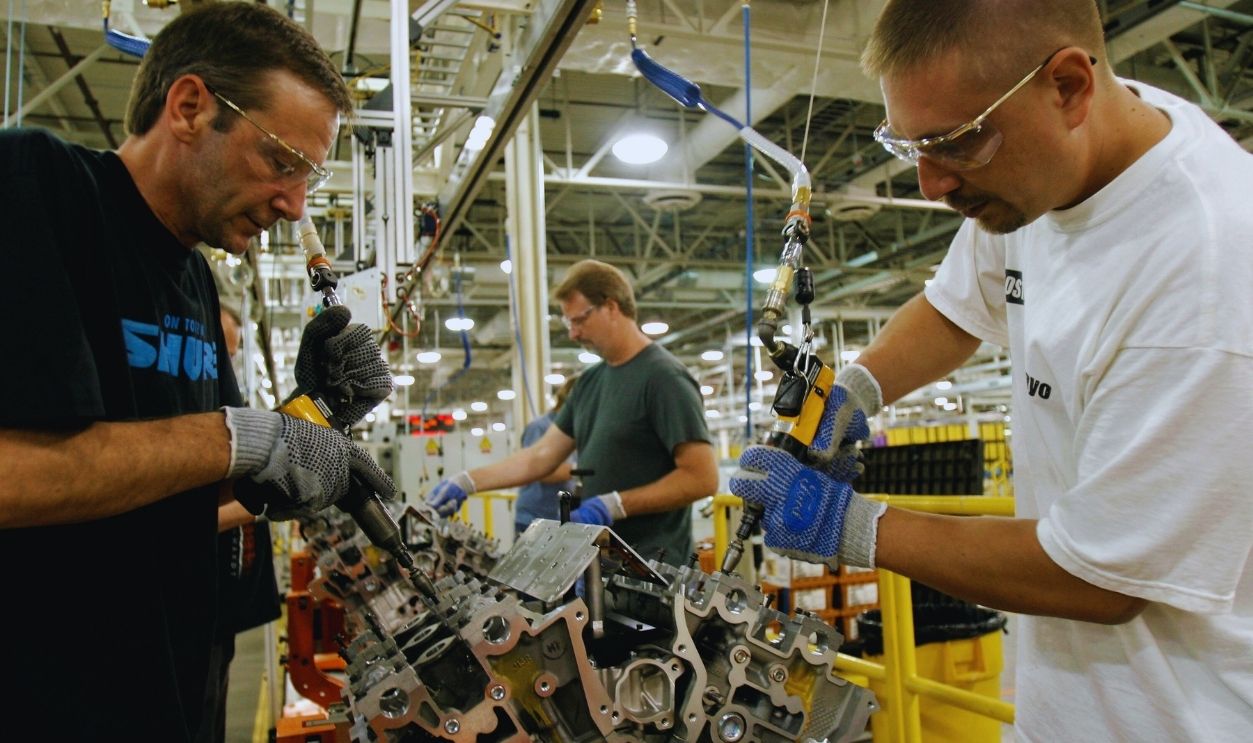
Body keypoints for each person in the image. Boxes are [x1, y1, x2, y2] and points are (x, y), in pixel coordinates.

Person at [730, 1, 1253, 740]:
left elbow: (1096, 577)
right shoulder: (1050, 166)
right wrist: (855, 390)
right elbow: (956, 306)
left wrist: (850, 525)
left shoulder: (1203, 274)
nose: (929, 184)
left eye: (952, 143)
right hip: (1058, 707)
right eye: (906, 143)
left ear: (1069, 87)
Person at [0, 5, 394, 741]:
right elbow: (13, 475)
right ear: (188, 108)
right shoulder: (37, 186)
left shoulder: (193, 279)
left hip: (174, 680)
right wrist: (249, 436)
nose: (292, 204)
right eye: (282, 162)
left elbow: (204, 471)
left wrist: (313, 413)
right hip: (44, 696)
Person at [427, 260, 718, 564]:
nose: (574, 334)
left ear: (610, 307)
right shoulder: (590, 382)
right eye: (569, 324)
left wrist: (616, 505)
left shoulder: (663, 378)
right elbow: (540, 457)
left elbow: (702, 478)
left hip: (652, 567)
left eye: (579, 320)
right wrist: (468, 481)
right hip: (600, 564)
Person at [200, 304, 282, 743]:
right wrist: (261, 501)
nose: (226, 366)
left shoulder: (222, 411)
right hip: (195, 611)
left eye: (232, 354)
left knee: (214, 706)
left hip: (223, 611)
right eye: (220, 354)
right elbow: (181, 518)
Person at [513, 374, 578, 536]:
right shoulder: (540, 428)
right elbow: (541, 471)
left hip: (558, 517)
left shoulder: (575, 430)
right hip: (533, 519)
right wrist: (582, 470)